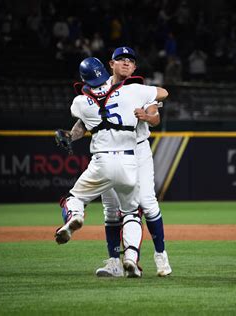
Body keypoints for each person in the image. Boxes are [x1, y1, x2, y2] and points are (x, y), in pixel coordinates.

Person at [55, 56, 168, 278]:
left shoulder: (84, 99)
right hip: (127, 158)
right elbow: (83, 126)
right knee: (125, 211)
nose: (126, 63)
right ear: (110, 65)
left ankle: (75, 215)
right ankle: (124, 261)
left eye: (130, 60)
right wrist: (71, 135)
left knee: (143, 204)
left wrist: (147, 115)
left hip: (124, 154)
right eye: (121, 59)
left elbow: (155, 116)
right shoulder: (132, 91)